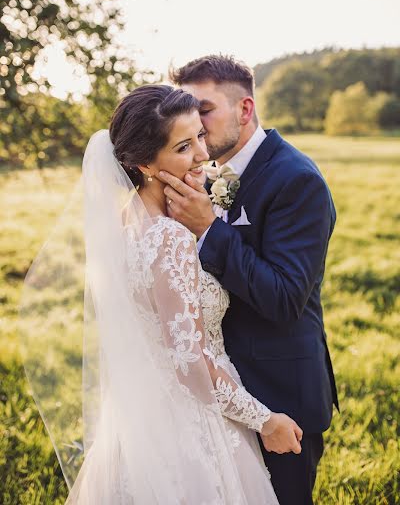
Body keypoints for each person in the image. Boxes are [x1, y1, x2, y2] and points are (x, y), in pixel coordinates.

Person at [21, 84, 302, 504]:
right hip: (192, 425)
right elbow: (189, 362)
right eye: (184, 146)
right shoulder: (169, 237)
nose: (203, 155)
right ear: (144, 164)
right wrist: (265, 421)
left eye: (200, 137)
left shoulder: (122, 221)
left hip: (140, 421)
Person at [158, 55, 339, 505]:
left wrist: (209, 229)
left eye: (203, 110)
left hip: (278, 395)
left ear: (245, 109)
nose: (192, 124)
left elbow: (284, 298)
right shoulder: (202, 171)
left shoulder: (297, 181)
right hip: (215, 394)